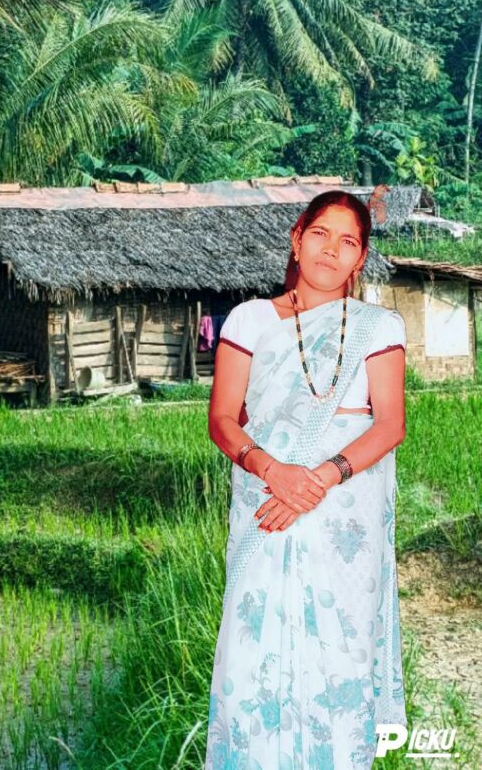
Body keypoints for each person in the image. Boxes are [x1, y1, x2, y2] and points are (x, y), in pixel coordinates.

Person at [204, 190, 407, 769]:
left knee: (340, 655)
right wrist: (275, 472)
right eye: (320, 233)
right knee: (251, 654)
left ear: (360, 258)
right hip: (266, 505)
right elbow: (223, 420)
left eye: (348, 242)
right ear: (297, 239)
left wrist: (316, 481)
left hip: (344, 519)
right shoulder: (249, 319)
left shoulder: (378, 326)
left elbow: (389, 425)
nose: (331, 250)